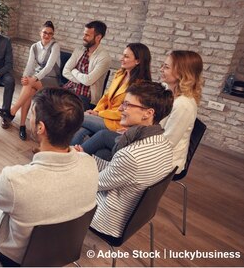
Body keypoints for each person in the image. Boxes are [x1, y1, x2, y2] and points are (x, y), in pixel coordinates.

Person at [0, 88, 98, 266]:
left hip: (17, 257)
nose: (28, 118)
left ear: (41, 127)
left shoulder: (15, 180)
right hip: (64, 251)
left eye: (31, 113)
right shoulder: (90, 163)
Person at [88, 81, 174, 238]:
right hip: (131, 208)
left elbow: (94, 185)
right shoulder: (163, 142)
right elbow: (122, 172)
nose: (120, 109)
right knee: (99, 152)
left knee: (59, 185)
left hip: (109, 219)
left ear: (148, 113)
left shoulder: (131, 155)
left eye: (127, 104)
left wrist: (76, 167)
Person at [71, 43, 152, 147]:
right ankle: (68, 156)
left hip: (117, 122)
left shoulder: (141, 85)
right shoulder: (120, 74)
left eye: (126, 56)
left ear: (138, 61)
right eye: (123, 55)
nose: (121, 59)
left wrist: (99, 114)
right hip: (104, 116)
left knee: (78, 116)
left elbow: (126, 112)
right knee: (81, 129)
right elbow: (106, 97)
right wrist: (95, 111)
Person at [0, 20, 60, 140]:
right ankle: (22, 125)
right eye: (45, 32)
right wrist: (25, 77)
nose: (47, 36)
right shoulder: (34, 47)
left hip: (52, 79)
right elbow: (30, 65)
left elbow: (48, 67)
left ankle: (12, 112)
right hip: (38, 78)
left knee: (30, 83)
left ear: (53, 35)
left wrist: (33, 78)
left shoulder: (55, 46)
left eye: (50, 34)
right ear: (40, 33)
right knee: (28, 90)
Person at [160, 50, 203, 173]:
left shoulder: (183, 105)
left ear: (181, 73)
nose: (161, 69)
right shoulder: (166, 89)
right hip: (153, 147)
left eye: (166, 67)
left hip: (166, 162)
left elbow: (166, 144)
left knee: (104, 138)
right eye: (163, 65)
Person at [62, 20, 111, 110]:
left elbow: (88, 81)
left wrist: (74, 71)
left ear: (98, 37)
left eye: (87, 35)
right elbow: (65, 71)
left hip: (86, 97)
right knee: (48, 100)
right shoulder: (79, 50)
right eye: (84, 34)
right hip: (69, 88)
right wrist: (81, 80)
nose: (83, 37)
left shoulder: (104, 58)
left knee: (65, 110)